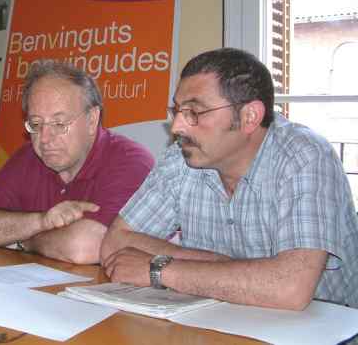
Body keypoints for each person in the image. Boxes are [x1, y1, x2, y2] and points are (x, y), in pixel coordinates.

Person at [101, 47, 358, 310]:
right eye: (176, 111)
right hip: (225, 317)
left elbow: (291, 288)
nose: (177, 127)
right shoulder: (181, 158)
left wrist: (161, 269)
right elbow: (115, 242)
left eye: (194, 112)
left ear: (249, 117)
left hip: (325, 323)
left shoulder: (304, 156)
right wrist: (222, 266)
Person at [0, 60, 155, 264]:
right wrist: (41, 221)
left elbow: (84, 247)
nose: (44, 138)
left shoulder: (131, 161)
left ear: (92, 119)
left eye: (59, 123)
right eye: (36, 124)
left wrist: (25, 240)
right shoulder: (29, 157)